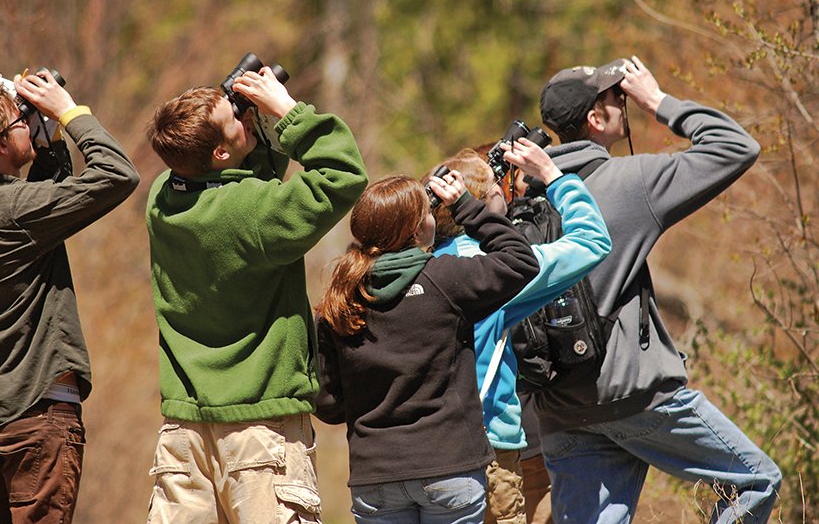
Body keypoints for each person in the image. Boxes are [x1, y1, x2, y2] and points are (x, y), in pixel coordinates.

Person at [533, 56, 782, 524]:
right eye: (615, 97)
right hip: (635, 398)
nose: (622, 102)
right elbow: (736, 146)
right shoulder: (630, 182)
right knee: (755, 480)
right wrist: (658, 101)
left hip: (560, 410)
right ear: (595, 117)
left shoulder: (523, 198)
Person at [144, 65, 368, 524]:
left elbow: (231, 179)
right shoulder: (255, 216)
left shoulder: (163, 199)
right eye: (237, 123)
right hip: (260, 430)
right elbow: (342, 173)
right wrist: (287, 112)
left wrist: (247, 128)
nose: (246, 122)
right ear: (222, 150)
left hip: (184, 433)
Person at [0, 70, 140, 524]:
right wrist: (69, 113)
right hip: (39, 419)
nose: (29, 119)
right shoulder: (13, 211)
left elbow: (36, 206)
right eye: (19, 123)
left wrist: (46, 144)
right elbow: (118, 175)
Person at [315, 169, 541, 524]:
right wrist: (466, 205)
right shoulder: (446, 279)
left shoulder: (341, 299)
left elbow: (327, 404)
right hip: (450, 465)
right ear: (419, 230)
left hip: (376, 474)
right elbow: (521, 261)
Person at [430, 143, 611, 524]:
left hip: (425, 451)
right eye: (496, 183)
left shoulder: (423, 263)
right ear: (487, 198)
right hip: (488, 445)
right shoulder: (497, 269)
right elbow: (592, 241)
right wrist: (553, 176)